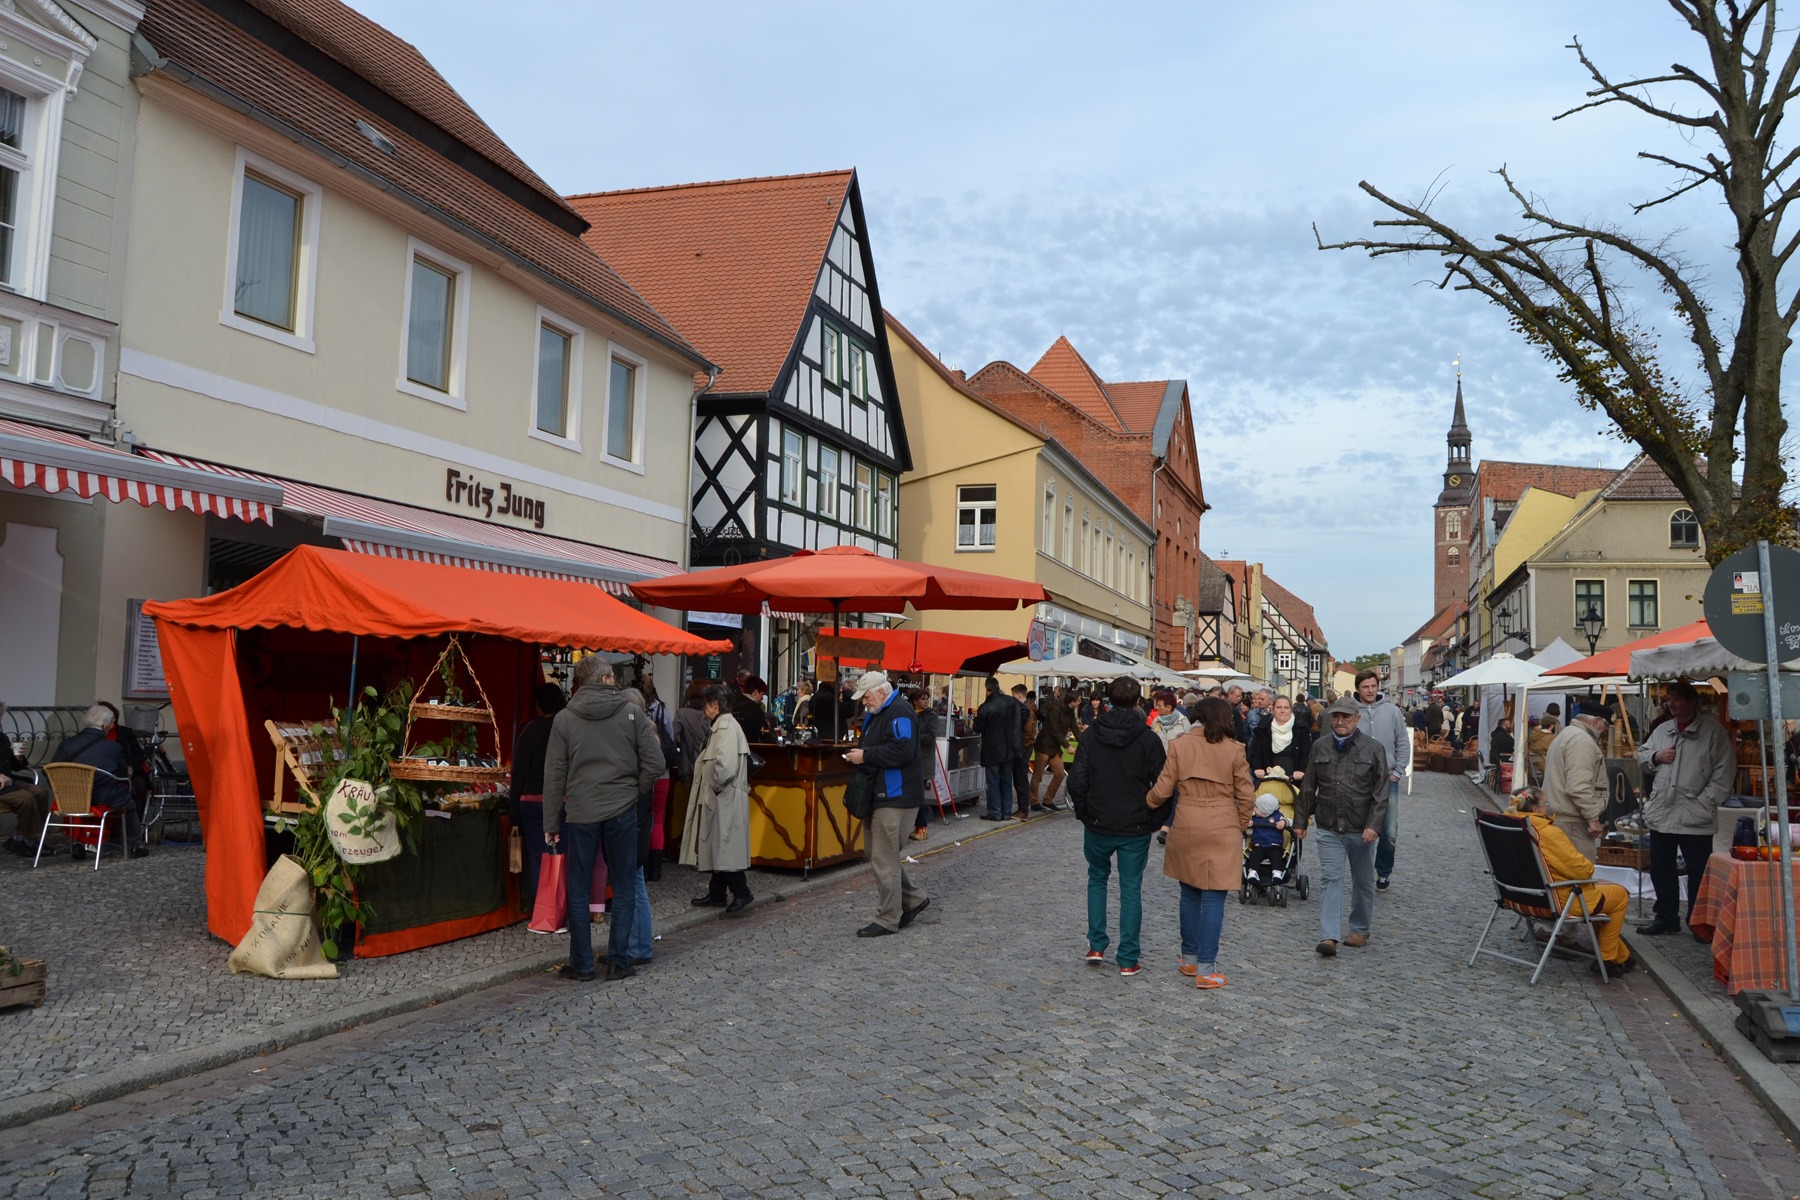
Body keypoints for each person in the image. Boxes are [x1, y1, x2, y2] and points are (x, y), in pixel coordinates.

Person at [542, 656, 664, 983]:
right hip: (621, 810)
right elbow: (655, 763)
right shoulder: (631, 713)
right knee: (624, 886)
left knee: (579, 889)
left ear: (580, 684)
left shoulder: (565, 719)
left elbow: (554, 777)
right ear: (608, 679)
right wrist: (633, 792)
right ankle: (618, 961)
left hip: (581, 812)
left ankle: (582, 965)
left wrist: (551, 823)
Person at [1068, 676, 1169, 977]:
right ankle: (1127, 957)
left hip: (1099, 821)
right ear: (1139, 701)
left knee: (1097, 880)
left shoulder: (1092, 735)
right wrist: (1153, 818)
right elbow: (1163, 785)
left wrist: (1084, 812)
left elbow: (1077, 779)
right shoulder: (1148, 738)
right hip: (1134, 825)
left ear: (1108, 700)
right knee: (1130, 888)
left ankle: (1096, 945)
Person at [1149, 695, 1254, 988]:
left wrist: (1147, 802)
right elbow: (1246, 795)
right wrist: (1241, 824)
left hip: (1186, 821)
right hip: (1221, 823)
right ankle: (1207, 969)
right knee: (1214, 896)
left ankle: (1189, 959)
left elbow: (1163, 789)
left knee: (1189, 893)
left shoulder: (1180, 745)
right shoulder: (1234, 750)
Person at [1635, 680, 1735, 937]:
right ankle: (1666, 917)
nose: (1671, 703)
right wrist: (1656, 757)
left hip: (1694, 813)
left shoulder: (1713, 732)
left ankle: (1698, 921)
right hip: (1663, 811)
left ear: (1692, 701)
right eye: (1669, 699)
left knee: (1698, 871)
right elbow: (1642, 756)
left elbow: (1724, 772)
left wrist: (1705, 801)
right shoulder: (1663, 729)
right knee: (1661, 867)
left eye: (1677, 698)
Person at [1296, 695, 1389, 957]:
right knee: (1331, 878)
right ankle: (1329, 936)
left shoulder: (1373, 749)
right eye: (1335, 717)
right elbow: (1308, 787)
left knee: (1362, 880)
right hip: (1328, 826)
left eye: (1345, 717)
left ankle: (1359, 928)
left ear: (1357, 719)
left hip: (1361, 828)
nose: (1339, 721)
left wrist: (1374, 825)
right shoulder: (1320, 746)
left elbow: (1381, 793)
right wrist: (1301, 820)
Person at [1510, 786, 1634, 974]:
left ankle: (1622, 956)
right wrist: (1588, 864)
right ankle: (1607, 961)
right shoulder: (1547, 833)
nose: (1548, 808)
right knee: (1619, 895)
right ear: (1535, 809)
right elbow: (1581, 871)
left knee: (1603, 900)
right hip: (1558, 899)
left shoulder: (1510, 826)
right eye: (1546, 804)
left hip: (1521, 897)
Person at [842, 671, 929, 937]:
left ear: (881, 691)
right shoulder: (882, 710)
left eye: (866, 697)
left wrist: (865, 755)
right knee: (880, 854)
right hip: (885, 795)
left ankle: (888, 918)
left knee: (883, 857)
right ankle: (913, 899)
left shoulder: (899, 711)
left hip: (896, 796)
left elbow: (903, 751)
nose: (864, 702)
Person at [682, 683, 755, 916]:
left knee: (725, 847)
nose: (703, 708)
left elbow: (725, 766)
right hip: (723, 797)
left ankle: (741, 892)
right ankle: (717, 893)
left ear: (715, 705)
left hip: (724, 798)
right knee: (719, 845)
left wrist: (713, 787)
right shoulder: (724, 725)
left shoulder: (724, 727)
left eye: (705, 704)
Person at [51, 704, 144, 857]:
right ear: (106, 725)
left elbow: (52, 770)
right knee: (129, 803)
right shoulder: (112, 747)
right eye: (112, 723)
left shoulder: (66, 744)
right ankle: (136, 845)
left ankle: (79, 842)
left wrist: (62, 790)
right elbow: (122, 776)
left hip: (69, 798)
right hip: (101, 798)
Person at [507, 682, 567, 908]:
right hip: (563, 800)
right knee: (562, 854)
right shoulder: (567, 729)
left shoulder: (528, 729)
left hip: (532, 802)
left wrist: (514, 813)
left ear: (539, 705)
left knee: (537, 856)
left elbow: (518, 773)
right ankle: (560, 908)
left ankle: (541, 910)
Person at [1352, 669, 1410, 892]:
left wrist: (1397, 771)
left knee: (1389, 831)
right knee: (1360, 831)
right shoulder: (1351, 711)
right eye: (1366, 687)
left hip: (1387, 780)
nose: (1370, 690)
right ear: (1358, 688)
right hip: (1359, 780)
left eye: (1373, 686)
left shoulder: (1392, 711)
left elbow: (1403, 743)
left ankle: (1384, 871)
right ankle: (1362, 873)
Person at [1542, 701, 1611, 859]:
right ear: (1596, 721)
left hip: (1564, 819)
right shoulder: (1582, 740)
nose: (1606, 729)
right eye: (1606, 724)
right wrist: (1593, 818)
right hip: (1572, 823)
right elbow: (1578, 786)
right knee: (1581, 874)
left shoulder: (1567, 733)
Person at [0, 702, 51, 856]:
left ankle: (20, 838)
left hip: (9, 781)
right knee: (25, 798)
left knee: (41, 791)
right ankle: (31, 839)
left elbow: (14, 766)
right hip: (3, 786)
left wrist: (18, 757)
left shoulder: (2, 737)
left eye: (0, 715)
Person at [974, 676, 1023, 821]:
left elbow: (978, 727)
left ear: (987, 689)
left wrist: (975, 719)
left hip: (993, 750)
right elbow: (1025, 712)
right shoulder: (1012, 701)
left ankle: (995, 812)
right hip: (1010, 748)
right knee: (1006, 780)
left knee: (993, 781)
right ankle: (1006, 812)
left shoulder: (985, 707)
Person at [1248, 694, 1311, 783]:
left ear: (1291, 710)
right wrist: (1257, 768)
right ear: (1273, 709)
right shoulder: (1263, 729)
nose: (1282, 711)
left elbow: (1306, 754)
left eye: (1286, 708)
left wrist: (1302, 770)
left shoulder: (1301, 730)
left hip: (1294, 781)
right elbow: (1255, 753)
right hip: (1268, 780)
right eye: (1278, 707)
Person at [1032, 685, 1074, 811]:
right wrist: (1067, 745)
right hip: (1044, 745)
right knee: (1038, 775)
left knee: (1060, 773)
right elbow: (1055, 731)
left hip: (1055, 747)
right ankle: (1034, 801)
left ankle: (1048, 799)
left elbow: (1074, 728)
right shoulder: (1054, 708)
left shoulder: (1069, 711)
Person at [910, 688, 940, 841]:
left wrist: (911, 735)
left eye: (927, 699)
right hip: (909, 759)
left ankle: (922, 827)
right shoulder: (909, 713)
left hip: (923, 760)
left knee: (918, 795)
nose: (926, 702)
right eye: (922, 699)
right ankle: (913, 825)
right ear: (915, 701)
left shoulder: (931, 716)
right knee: (912, 793)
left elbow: (930, 738)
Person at [1245, 793, 1290, 884]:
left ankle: (1277, 872)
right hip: (1258, 845)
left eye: (1256, 808)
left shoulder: (1277, 816)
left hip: (1274, 845)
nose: (1254, 809)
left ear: (1264, 811)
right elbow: (1248, 828)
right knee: (1254, 856)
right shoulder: (1255, 817)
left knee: (1277, 856)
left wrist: (1283, 822)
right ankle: (1253, 871)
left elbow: (1289, 821)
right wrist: (1248, 823)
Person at [1013, 684, 1039, 814]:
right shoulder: (1029, 708)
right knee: (1021, 777)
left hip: (1024, 747)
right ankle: (1023, 807)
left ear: (1018, 695)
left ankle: (1023, 809)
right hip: (1026, 746)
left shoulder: (1025, 709)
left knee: (1021, 778)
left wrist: (1022, 746)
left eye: (1014, 696)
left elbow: (1027, 732)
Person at [731, 676, 771, 745]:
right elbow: (764, 734)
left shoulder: (733, 704)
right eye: (762, 694)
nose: (762, 698)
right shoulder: (754, 709)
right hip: (749, 749)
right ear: (755, 692)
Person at [1528, 712, 1559, 782]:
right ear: (1551, 726)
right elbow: (1557, 752)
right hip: (1546, 766)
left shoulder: (1536, 734)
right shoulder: (1549, 738)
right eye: (1555, 725)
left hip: (1536, 765)